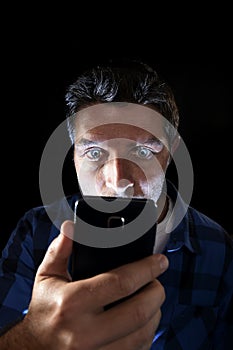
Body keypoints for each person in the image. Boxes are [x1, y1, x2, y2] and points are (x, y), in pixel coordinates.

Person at [0, 59, 232, 350]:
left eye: (142, 151)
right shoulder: (35, 231)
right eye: (95, 152)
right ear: (73, 156)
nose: (119, 180)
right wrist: (33, 340)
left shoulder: (218, 247)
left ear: (170, 154)